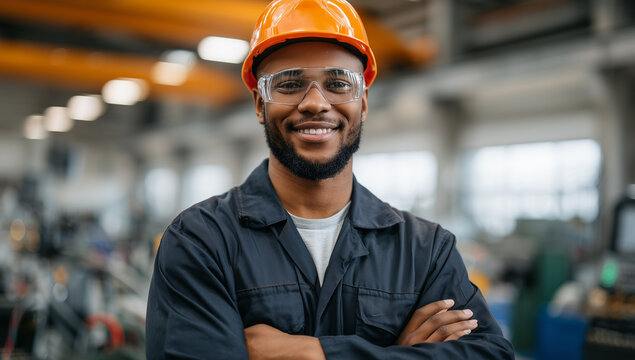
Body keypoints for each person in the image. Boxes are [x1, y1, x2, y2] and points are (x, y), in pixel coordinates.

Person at [145, 0, 514, 359]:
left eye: (339, 84)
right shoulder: (201, 241)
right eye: (289, 84)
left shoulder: (426, 251)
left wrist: (316, 352)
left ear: (363, 103)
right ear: (260, 104)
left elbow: (488, 353)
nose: (316, 102)